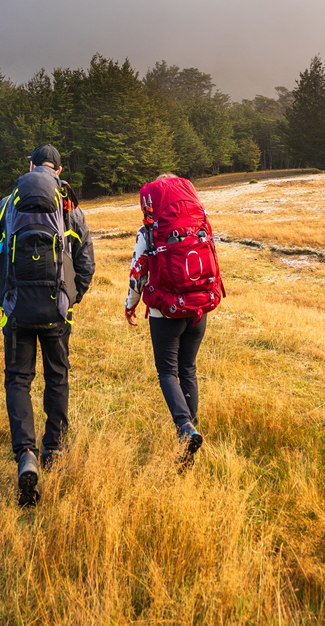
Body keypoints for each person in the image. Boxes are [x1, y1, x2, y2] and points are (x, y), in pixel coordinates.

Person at [0, 145, 95, 506]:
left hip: (17, 310)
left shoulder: (7, 203)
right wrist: (70, 297)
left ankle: (26, 455)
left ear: (29, 165)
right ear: (58, 171)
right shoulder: (68, 206)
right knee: (57, 377)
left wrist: (4, 297)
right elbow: (85, 261)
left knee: (18, 379)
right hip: (56, 311)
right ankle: (55, 449)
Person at [125, 173, 224, 469]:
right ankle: (188, 441)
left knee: (167, 372)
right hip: (198, 308)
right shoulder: (199, 225)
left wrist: (130, 307)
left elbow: (137, 274)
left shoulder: (150, 231)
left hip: (165, 313)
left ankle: (185, 428)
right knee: (188, 369)